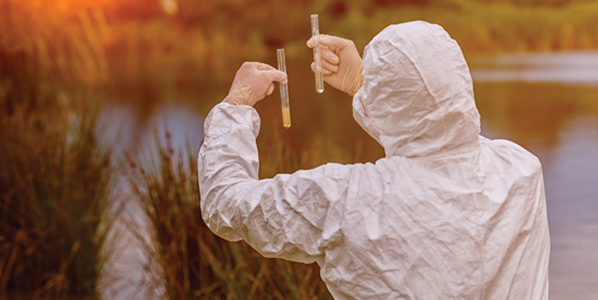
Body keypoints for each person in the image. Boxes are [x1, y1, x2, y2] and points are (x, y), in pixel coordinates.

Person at [198, 21, 550, 299]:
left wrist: (236, 106)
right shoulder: (520, 169)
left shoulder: (346, 199)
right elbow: (440, 140)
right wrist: (363, 86)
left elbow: (224, 202)